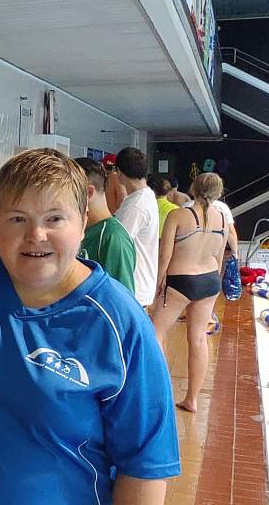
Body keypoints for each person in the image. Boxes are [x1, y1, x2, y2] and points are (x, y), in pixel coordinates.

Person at [0, 148, 179, 505]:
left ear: (83, 221)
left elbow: (144, 468)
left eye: (54, 219)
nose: (36, 234)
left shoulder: (118, 322)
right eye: (17, 218)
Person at [151, 173, 228, 413]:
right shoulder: (223, 219)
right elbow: (219, 256)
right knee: (198, 338)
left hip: (181, 280)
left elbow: (165, 256)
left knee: (155, 333)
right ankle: (192, 399)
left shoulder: (177, 215)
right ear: (219, 193)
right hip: (210, 280)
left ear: (192, 188)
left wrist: (158, 284)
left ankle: (159, 393)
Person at [75, 157, 137, 293]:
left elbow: (121, 299)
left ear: (88, 193)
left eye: (68, 192)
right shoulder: (79, 229)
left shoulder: (113, 237)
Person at [110, 147, 159, 307]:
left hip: (134, 288)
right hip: (137, 288)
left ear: (119, 172)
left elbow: (117, 243)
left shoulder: (136, 206)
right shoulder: (143, 197)